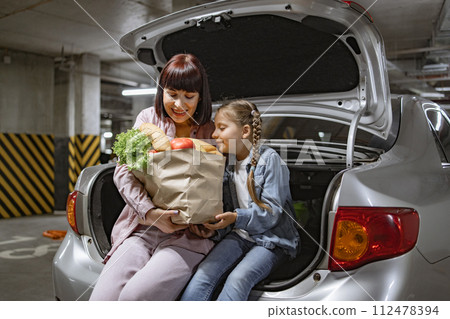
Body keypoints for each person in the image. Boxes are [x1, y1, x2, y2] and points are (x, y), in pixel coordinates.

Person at [89, 53, 216, 301]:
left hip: (186, 237)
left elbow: (215, 187)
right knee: (100, 300)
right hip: (141, 228)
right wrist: (150, 213)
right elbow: (124, 171)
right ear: (162, 91)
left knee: (135, 298)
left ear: (200, 97)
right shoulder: (148, 118)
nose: (179, 104)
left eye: (189, 97)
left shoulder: (209, 130)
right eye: (172, 94)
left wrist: (207, 223)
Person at [181, 100, 300, 301]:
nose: (214, 135)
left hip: (272, 240)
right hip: (240, 235)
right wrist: (215, 227)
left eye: (222, 128)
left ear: (245, 131)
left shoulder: (269, 160)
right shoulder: (228, 162)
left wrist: (236, 218)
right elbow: (228, 209)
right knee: (203, 274)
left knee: (239, 278)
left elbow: (272, 214)